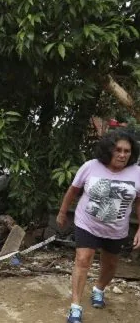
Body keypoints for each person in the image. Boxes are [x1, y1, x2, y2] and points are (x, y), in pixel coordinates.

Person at [56, 129, 140, 323]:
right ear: (108, 150)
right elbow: (73, 190)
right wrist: (62, 212)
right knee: (83, 259)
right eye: (118, 149)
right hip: (87, 223)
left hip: (116, 229)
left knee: (110, 264)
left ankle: (99, 289)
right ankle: (75, 306)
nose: (122, 154)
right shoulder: (90, 167)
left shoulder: (137, 173)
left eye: (127, 151)